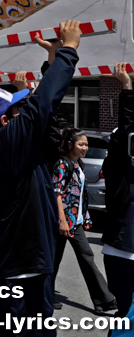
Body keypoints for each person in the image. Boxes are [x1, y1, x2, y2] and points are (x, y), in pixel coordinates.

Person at [0, 20, 82, 337]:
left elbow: (47, 118)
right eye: (17, 109)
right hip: (17, 272)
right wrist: (69, 50)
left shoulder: (15, 148)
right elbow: (41, 104)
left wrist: (50, 61)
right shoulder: (3, 145)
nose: (24, 112)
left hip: (32, 267)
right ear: (6, 120)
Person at [52, 128, 117, 314]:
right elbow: (56, 193)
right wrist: (62, 221)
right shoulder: (62, 164)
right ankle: (44, 296)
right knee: (54, 260)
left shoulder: (78, 164)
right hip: (64, 221)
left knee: (86, 256)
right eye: (82, 144)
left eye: (86, 144)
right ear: (70, 145)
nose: (85, 148)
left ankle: (104, 301)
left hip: (76, 221)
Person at [103, 63, 134, 322]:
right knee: (126, 314)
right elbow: (126, 132)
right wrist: (126, 88)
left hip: (120, 248)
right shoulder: (120, 175)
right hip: (124, 250)